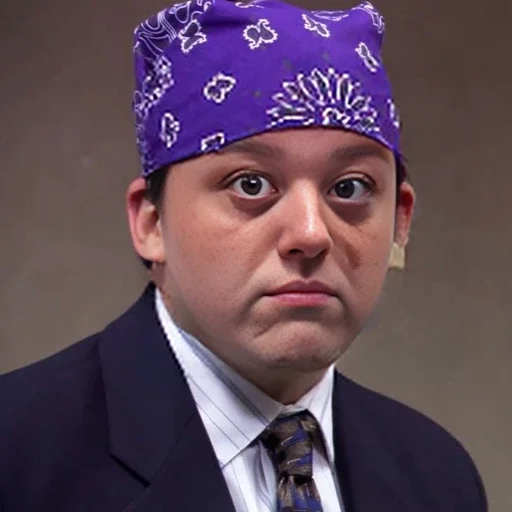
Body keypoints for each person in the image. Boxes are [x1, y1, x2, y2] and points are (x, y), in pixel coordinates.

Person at [0, 1, 487, 511]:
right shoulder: (17, 458)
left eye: (350, 187)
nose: (310, 233)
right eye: (250, 184)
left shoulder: (438, 478)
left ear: (400, 221)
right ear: (151, 222)